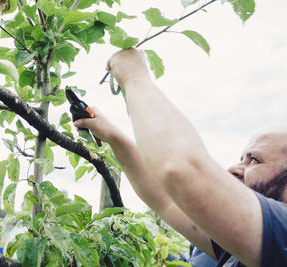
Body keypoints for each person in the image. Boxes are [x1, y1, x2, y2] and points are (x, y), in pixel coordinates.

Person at [74, 48, 287, 267]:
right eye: (241, 158)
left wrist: (134, 76)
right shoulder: (240, 248)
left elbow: (180, 168)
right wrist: (114, 137)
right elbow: (166, 200)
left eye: (254, 160)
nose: (234, 168)